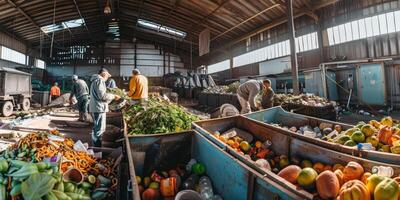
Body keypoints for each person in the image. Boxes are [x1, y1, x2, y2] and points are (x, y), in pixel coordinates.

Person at [89, 68, 120, 147]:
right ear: (104, 74)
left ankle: (96, 147)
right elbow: (102, 96)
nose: (107, 78)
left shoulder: (95, 81)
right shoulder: (99, 81)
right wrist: (113, 96)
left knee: (97, 128)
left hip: (96, 107)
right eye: (107, 76)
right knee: (99, 130)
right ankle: (97, 149)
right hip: (99, 108)